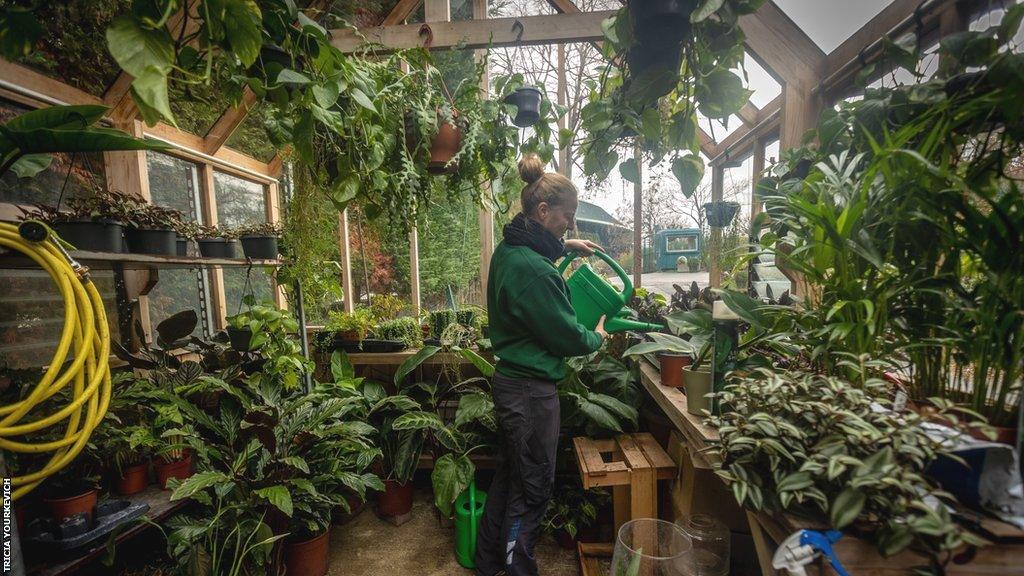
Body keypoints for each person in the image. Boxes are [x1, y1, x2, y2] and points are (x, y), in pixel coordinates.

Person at [474, 154, 607, 576]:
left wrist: (568, 246)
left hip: (511, 384)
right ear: (544, 210)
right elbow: (568, 336)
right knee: (532, 490)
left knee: (511, 477)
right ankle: (518, 569)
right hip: (532, 395)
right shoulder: (536, 273)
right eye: (567, 220)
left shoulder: (508, 250)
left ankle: (488, 563)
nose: (570, 227)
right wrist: (598, 336)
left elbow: (533, 248)